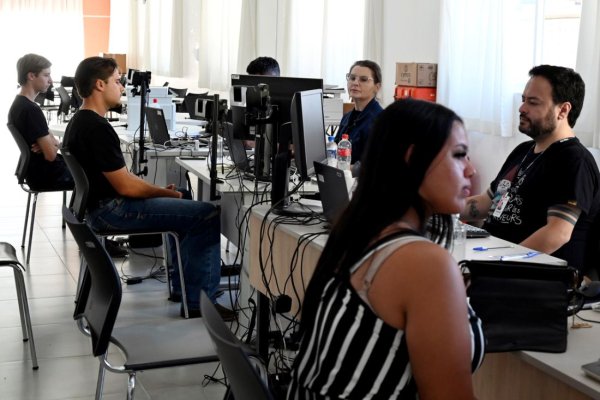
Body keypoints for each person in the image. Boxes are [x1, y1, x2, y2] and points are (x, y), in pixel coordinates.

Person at [288, 99, 484, 399]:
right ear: (413, 159)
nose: (471, 170)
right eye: (459, 155)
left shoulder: (358, 231)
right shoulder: (424, 263)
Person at [62, 56, 233, 319]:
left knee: (184, 195)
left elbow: (123, 179)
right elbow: (126, 187)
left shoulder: (80, 121)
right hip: (112, 210)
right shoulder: (97, 127)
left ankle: (183, 288)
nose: (122, 87)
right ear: (99, 85)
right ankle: (200, 302)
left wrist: (165, 192)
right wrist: (165, 193)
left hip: (98, 207)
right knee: (205, 214)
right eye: (117, 81)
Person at [463, 65, 600, 277]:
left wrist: (499, 266)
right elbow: (486, 202)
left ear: (563, 110)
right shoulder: (523, 151)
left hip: (535, 277)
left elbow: (557, 233)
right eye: (523, 100)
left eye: (533, 102)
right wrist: (430, 208)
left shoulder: (574, 160)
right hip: (495, 259)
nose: (522, 108)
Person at [8, 53, 73, 191]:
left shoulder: (19, 104)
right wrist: (52, 145)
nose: (51, 80)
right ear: (31, 76)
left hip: (36, 172)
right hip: (47, 175)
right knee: (98, 176)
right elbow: (51, 155)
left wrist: (50, 144)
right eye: (46, 75)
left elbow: (52, 144)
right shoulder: (31, 110)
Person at [334, 60, 383, 169]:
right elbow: (335, 150)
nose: (355, 83)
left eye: (363, 79)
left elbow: (378, 164)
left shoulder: (380, 121)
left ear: (377, 87)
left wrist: (347, 168)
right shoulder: (346, 117)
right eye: (352, 78)